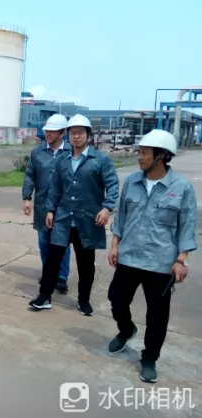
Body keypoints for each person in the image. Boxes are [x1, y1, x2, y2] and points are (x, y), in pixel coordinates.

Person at [107, 129, 197, 383]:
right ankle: (126, 329)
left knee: (157, 315)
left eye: (144, 152)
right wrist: (114, 245)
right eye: (139, 151)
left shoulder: (181, 188)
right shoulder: (132, 182)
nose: (139, 156)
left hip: (161, 263)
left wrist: (181, 260)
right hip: (129, 256)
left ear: (162, 156)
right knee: (116, 299)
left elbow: (186, 226)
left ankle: (149, 358)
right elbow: (122, 217)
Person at [29, 114, 119, 316]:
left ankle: (83, 300)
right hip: (63, 219)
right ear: (68, 135)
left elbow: (113, 186)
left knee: (85, 263)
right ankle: (44, 297)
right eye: (73, 133)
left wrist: (106, 208)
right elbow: (55, 188)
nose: (76, 137)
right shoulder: (62, 161)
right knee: (52, 260)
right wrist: (50, 210)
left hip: (86, 221)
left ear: (88, 135)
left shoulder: (100, 160)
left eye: (80, 133)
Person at [22, 114, 72, 293]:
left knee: (63, 242)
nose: (48, 134)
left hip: (64, 206)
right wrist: (27, 198)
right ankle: (48, 271)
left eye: (52, 131)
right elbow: (30, 175)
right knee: (44, 240)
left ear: (62, 133)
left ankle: (61, 277)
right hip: (43, 204)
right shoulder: (38, 152)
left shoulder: (71, 152)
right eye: (47, 131)